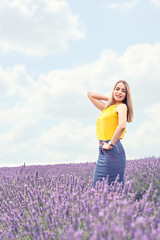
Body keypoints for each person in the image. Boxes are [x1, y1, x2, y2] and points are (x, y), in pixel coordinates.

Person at [87, 80, 133, 188]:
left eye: (123, 91)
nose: (119, 92)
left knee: (111, 189)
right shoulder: (107, 108)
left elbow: (122, 125)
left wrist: (111, 144)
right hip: (103, 149)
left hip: (112, 148)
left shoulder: (122, 107)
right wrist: (112, 99)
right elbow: (90, 95)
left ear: (126, 95)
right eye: (117, 89)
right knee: (98, 188)